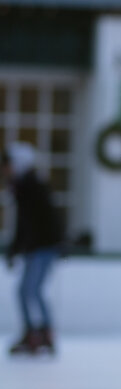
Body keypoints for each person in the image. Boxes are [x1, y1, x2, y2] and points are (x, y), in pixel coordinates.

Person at [5, 141, 64, 358]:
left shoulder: (31, 187)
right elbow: (24, 223)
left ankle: (40, 332)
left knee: (30, 290)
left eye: (8, 164)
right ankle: (36, 331)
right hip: (38, 247)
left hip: (43, 247)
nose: (5, 169)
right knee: (29, 291)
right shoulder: (25, 186)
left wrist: (18, 247)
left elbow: (35, 221)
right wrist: (17, 248)